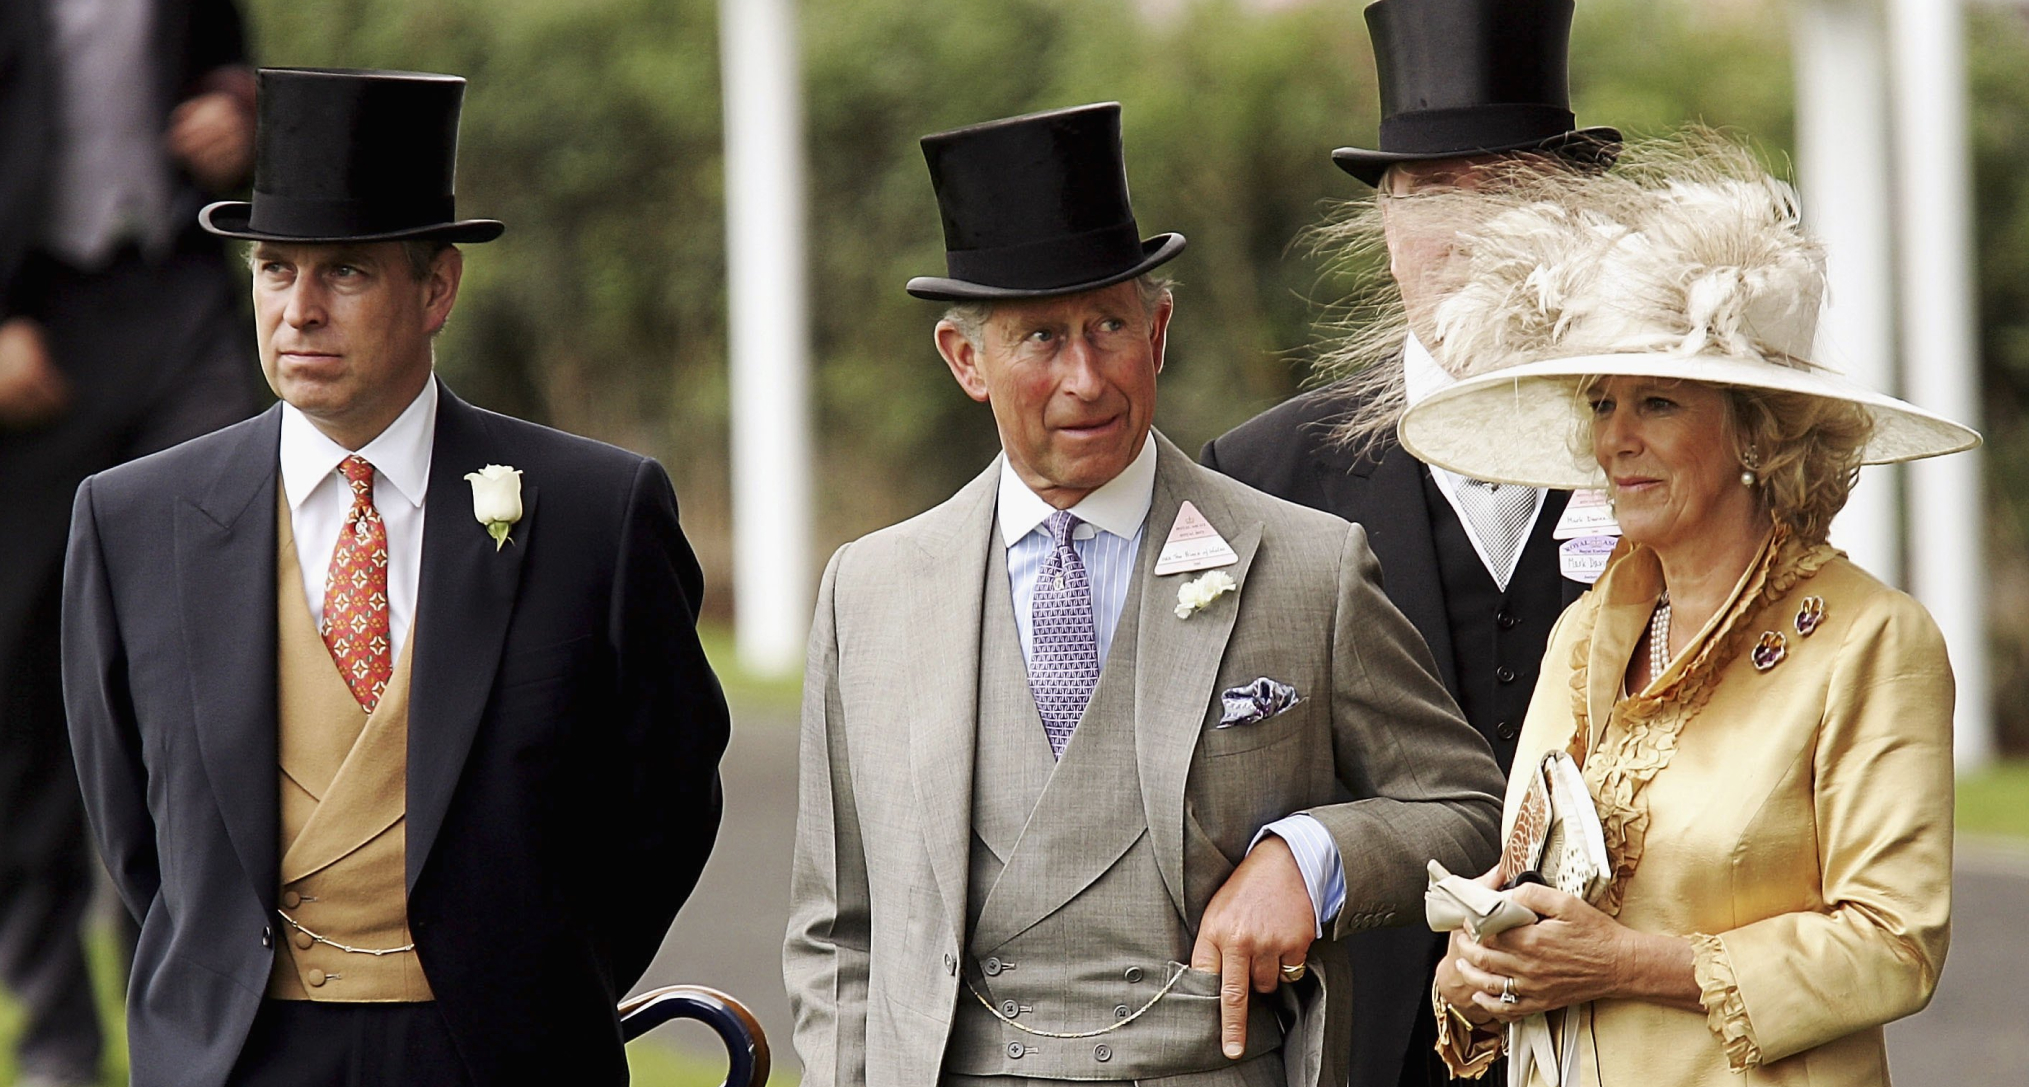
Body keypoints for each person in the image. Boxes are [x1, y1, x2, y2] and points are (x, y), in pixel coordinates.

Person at [784, 101, 1505, 1087]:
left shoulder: (1303, 564)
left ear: (1157, 331)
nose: (1085, 378)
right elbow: (836, 926)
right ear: (964, 360)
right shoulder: (870, 591)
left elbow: (1465, 806)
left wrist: (1313, 853)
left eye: (1108, 326)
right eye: (1040, 339)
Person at [61, 68, 731, 1087]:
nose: (300, 311)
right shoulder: (131, 520)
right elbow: (135, 829)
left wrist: (538, 977)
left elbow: (667, 799)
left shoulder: (596, 511)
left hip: (498, 1055)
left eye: (347, 274)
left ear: (436, 289)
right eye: (275, 269)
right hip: (238, 1059)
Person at [1393, 142, 1976, 1085]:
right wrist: (1476, 968)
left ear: (1755, 428)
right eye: (1600, 402)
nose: (1614, 441)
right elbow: (1522, 892)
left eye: (1656, 403)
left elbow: (1893, 944)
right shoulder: (1582, 633)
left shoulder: (1873, 639)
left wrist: (1626, 962)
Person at [1199, 3, 1617, 1084]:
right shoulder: (1257, 476)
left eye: (1512, 190)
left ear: (1577, 219)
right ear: (1386, 227)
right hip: (1358, 1041)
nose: (1471, 230)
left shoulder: (1672, 459)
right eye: (1433, 192)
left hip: (1624, 1032)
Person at [0, 2, 263, 1083]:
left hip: (177, 306)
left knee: (189, 657)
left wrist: (238, 114)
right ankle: (56, 1028)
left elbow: (231, 68)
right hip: (30, 336)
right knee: (25, 691)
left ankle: (184, 1014)